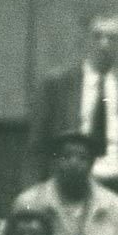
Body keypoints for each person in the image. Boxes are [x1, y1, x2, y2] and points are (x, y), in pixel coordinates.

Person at [12, 130, 118, 235]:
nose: (73, 163)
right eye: (65, 156)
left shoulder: (113, 205)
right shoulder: (29, 202)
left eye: (82, 157)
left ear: (92, 163)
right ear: (54, 161)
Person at [27, 12, 118, 188]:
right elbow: (37, 146)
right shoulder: (58, 83)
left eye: (113, 38)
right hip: (73, 181)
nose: (104, 44)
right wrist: (34, 193)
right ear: (85, 40)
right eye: (97, 36)